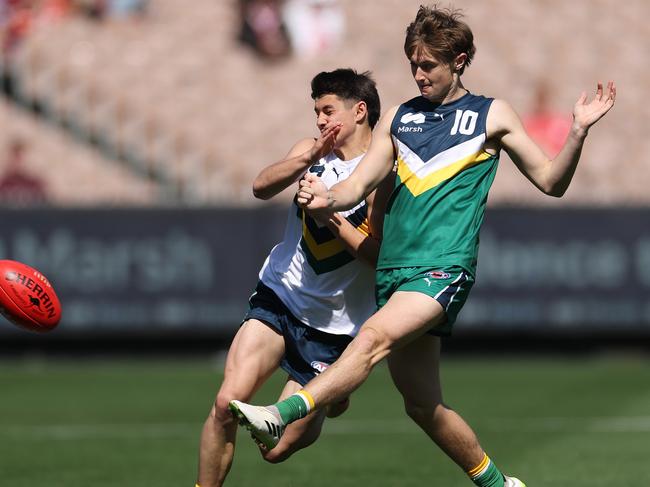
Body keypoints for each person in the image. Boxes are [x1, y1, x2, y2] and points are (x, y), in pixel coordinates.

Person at [229, 5, 616, 487]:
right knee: (421, 405)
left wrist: (577, 131)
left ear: (460, 60)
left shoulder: (490, 115)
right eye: (412, 63)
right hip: (394, 275)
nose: (417, 74)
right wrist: (325, 195)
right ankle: (501, 484)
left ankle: (283, 411)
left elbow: (551, 181)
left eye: (428, 64)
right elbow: (356, 187)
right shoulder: (399, 117)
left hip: (442, 271)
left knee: (369, 340)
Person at [196, 68, 391, 487]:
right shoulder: (311, 152)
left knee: (274, 450)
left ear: (360, 111)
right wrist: (304, 159)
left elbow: (377, 257)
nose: (320, 121)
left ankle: (329, 399)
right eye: (316, 111)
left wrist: (330, 216)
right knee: (226, 402)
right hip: (280, 296)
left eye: (328, 110)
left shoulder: (382, 175)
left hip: (335, 326)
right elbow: (260, 187)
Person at [0, 137, 48, 205]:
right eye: (15, 157)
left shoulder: (34, 184)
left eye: (20, 157)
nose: (17, 162)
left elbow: (45, 206)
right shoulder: (3, 183)